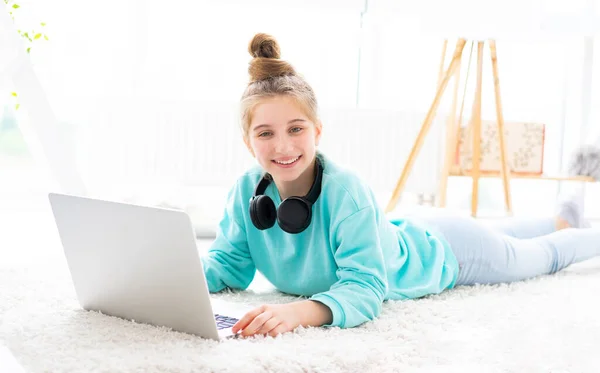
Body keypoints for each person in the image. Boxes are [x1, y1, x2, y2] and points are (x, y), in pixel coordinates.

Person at [200, 33, 600, 338]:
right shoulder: (245, 191)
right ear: (247, 141)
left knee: (542, 256)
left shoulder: (346, 193)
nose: (283, 146)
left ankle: (581, 228)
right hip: (412, 229)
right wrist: (168, 278)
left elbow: (365, 288)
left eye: (296, 128)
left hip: (449, 253)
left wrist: (298, 313)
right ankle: (561, 216)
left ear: (318, 131)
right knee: (503, 232)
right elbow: (229, 265)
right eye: (265, 133)